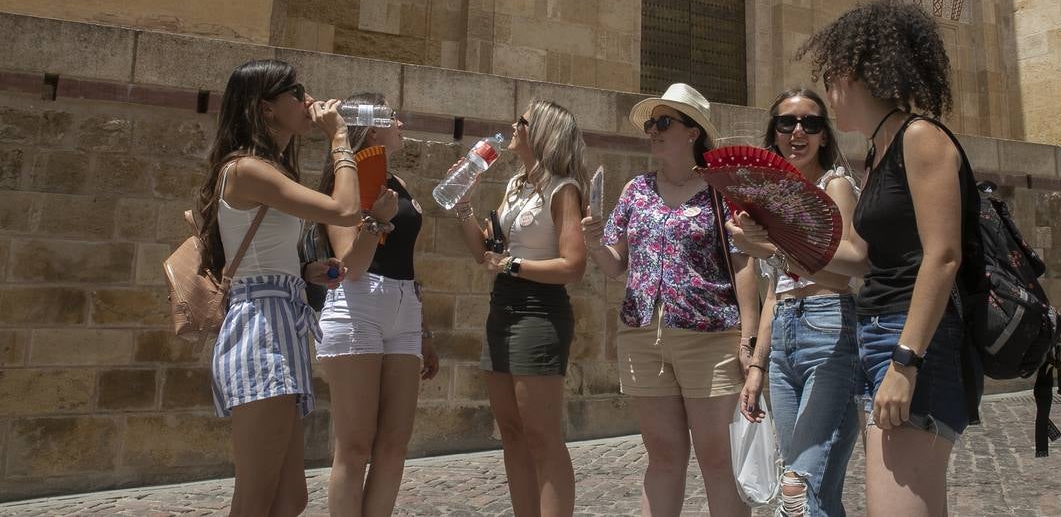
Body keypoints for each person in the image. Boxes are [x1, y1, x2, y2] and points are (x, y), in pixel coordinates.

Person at [732, 0, 982, 517]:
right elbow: (865, 262)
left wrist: (905, 361)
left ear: (862, 73)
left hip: (912, 341)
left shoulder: (920, 137)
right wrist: (772, 248)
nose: (830, 92)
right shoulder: (880, 149)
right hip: (878, 336)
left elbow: (942, 257)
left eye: (833, 77)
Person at [196, 60, 396, 517]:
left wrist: (304, 272)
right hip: (259, 330)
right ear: (266, 108)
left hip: (282, 318)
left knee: (289, 498)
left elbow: (259, 252)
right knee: (255, 497)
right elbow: (344, 209)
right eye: (295, 92)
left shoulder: (270, 168)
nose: (308, 100)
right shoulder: (245, 169)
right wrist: (341, 138)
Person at [581, 83, 758, 517]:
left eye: (663, 122)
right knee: (662, 456)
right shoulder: (636, 190)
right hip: (643, 336)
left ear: (693, 132)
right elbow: (615, 265)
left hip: (711, 337)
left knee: (718, 459)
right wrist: (593, 241)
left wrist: (749, 342)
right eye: (650, 124)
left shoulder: (722, 191)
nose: (653, 131)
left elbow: (744, 266)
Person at [450, 100, 589, 517]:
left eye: (523, 121)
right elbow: (484, 252)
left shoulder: (563, 188)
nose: (513, 125)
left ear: (542, 133)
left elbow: (573, 265)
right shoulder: (516, 184)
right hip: (503, 306)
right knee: (510, 432)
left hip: (539, 311)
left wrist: (512, 264)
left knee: (542, 436)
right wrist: (463, 205)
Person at [312, 93, 441, 516]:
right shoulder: (344, 181)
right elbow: (350, 264)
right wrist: (375, 222)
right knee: (354, 446)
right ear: (369, 125)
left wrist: (423, 329)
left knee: (395, 445)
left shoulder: (396, 181)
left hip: (404, 306)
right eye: (391, 116)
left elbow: (406, 257)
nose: (401, 122)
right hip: (358, 303)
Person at [738, 89, 861, 517]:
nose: (798, 132)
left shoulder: (836, 185)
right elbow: (774, 292)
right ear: (773, 134)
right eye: (786, 123)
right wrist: (757, 366)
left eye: (810, 123)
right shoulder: (770, 201)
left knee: (797, 483)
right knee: (816, 490)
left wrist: (771, 247)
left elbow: (841, 272)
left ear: (825, 135)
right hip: (784, 337)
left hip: (829, 324)